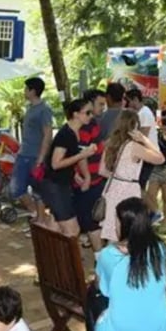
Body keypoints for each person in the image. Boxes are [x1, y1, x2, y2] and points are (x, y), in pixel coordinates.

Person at [86, 198, 166, 331]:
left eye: (116, 221)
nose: (114, 225)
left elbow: (100, 287)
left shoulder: (109, 255)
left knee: (93, 295)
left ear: (124, 225)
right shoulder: (160, 249)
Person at [99, 110, 164, 243]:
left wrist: (118, 175)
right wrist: (145, 139)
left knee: (113, 231)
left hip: (113, 188)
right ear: (134, 126)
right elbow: (160, 158)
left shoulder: (111, 143)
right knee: (128, 232)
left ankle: (111, 260)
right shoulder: (133, 146)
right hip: (128, 190)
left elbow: (102, 171)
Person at [39, 99, 97, 238]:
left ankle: (53, 257)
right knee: (72, 231)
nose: (91, 116)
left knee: (55, 226)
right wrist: (82, 155)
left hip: (59, 184)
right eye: (88, 113)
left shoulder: (74, 132)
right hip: (55, 185)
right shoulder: (66, 134)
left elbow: (67, 160)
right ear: (76, 114)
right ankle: (64, 258)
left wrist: (76, 175)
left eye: (92, 112)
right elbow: (56, 163)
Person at [74, 89, 107, 253]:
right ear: (90, 104)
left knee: (92, 219)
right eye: (100, 104)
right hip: (87, 182)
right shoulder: (86, 126)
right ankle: (99, 257)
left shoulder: (92, 124)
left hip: (95, 180)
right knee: (90, 220)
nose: (103, 107)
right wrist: (85, 177)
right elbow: (81, 154)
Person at [124, 89, 159, 193]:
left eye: (129, 101)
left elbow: (143, 135)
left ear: (135, 99)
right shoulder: (140, 113)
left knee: (140, 185)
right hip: (143, 153)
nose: (128, 104)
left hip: (146, 154)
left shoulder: (145, 113)